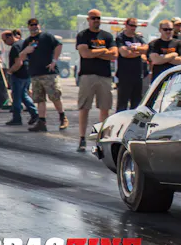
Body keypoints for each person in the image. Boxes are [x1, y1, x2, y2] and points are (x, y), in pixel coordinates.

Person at [76, 9, 117, 152]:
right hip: (87, 76)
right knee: (84, 108)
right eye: (93, 18)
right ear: (88, 20)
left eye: (98, 18)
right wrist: (103, 51)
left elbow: (114, 55)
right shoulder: (83, 35)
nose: (96, 20)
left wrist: (95, 52)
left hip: (104, 76)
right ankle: (82, 138)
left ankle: (102, 139)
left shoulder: (107, 36)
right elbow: (85, 54)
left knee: (105, 108)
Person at [20, 18, 68, 131]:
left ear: (39, 25)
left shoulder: (46, 36)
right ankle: (42, 123)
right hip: (35, 74)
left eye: (36, 24)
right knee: (39, 99)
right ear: (28, 27)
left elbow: (58, 45)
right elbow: (21, 57)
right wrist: (25, 51)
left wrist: (54, 61)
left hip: (48, 73)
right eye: (32, 25)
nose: (34, 27)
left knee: (55, 96)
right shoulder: (27, 41)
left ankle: (63, 117)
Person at [2, 30, 38, 126]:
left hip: (19, 74)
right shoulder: (23, 43)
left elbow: (19, 63)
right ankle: (34, 113)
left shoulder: (15, 47)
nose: (5, 43)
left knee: (17, 97)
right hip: (27, 72)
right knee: (23, 95)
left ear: (10, 37)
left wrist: (10, 71)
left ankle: (17, 118)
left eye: (5, 40)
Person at [115, 18, 148, 112]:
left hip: (138, 75)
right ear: (126, 25)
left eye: (135, 26)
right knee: (122, 105)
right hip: (125, 76)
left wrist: (134, 49)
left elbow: (146, 49)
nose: (133, 28)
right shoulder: (120, 38)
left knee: (136, 105)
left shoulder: (137, 38)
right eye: (131, 25)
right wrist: (139, 52)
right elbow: (124, 53)